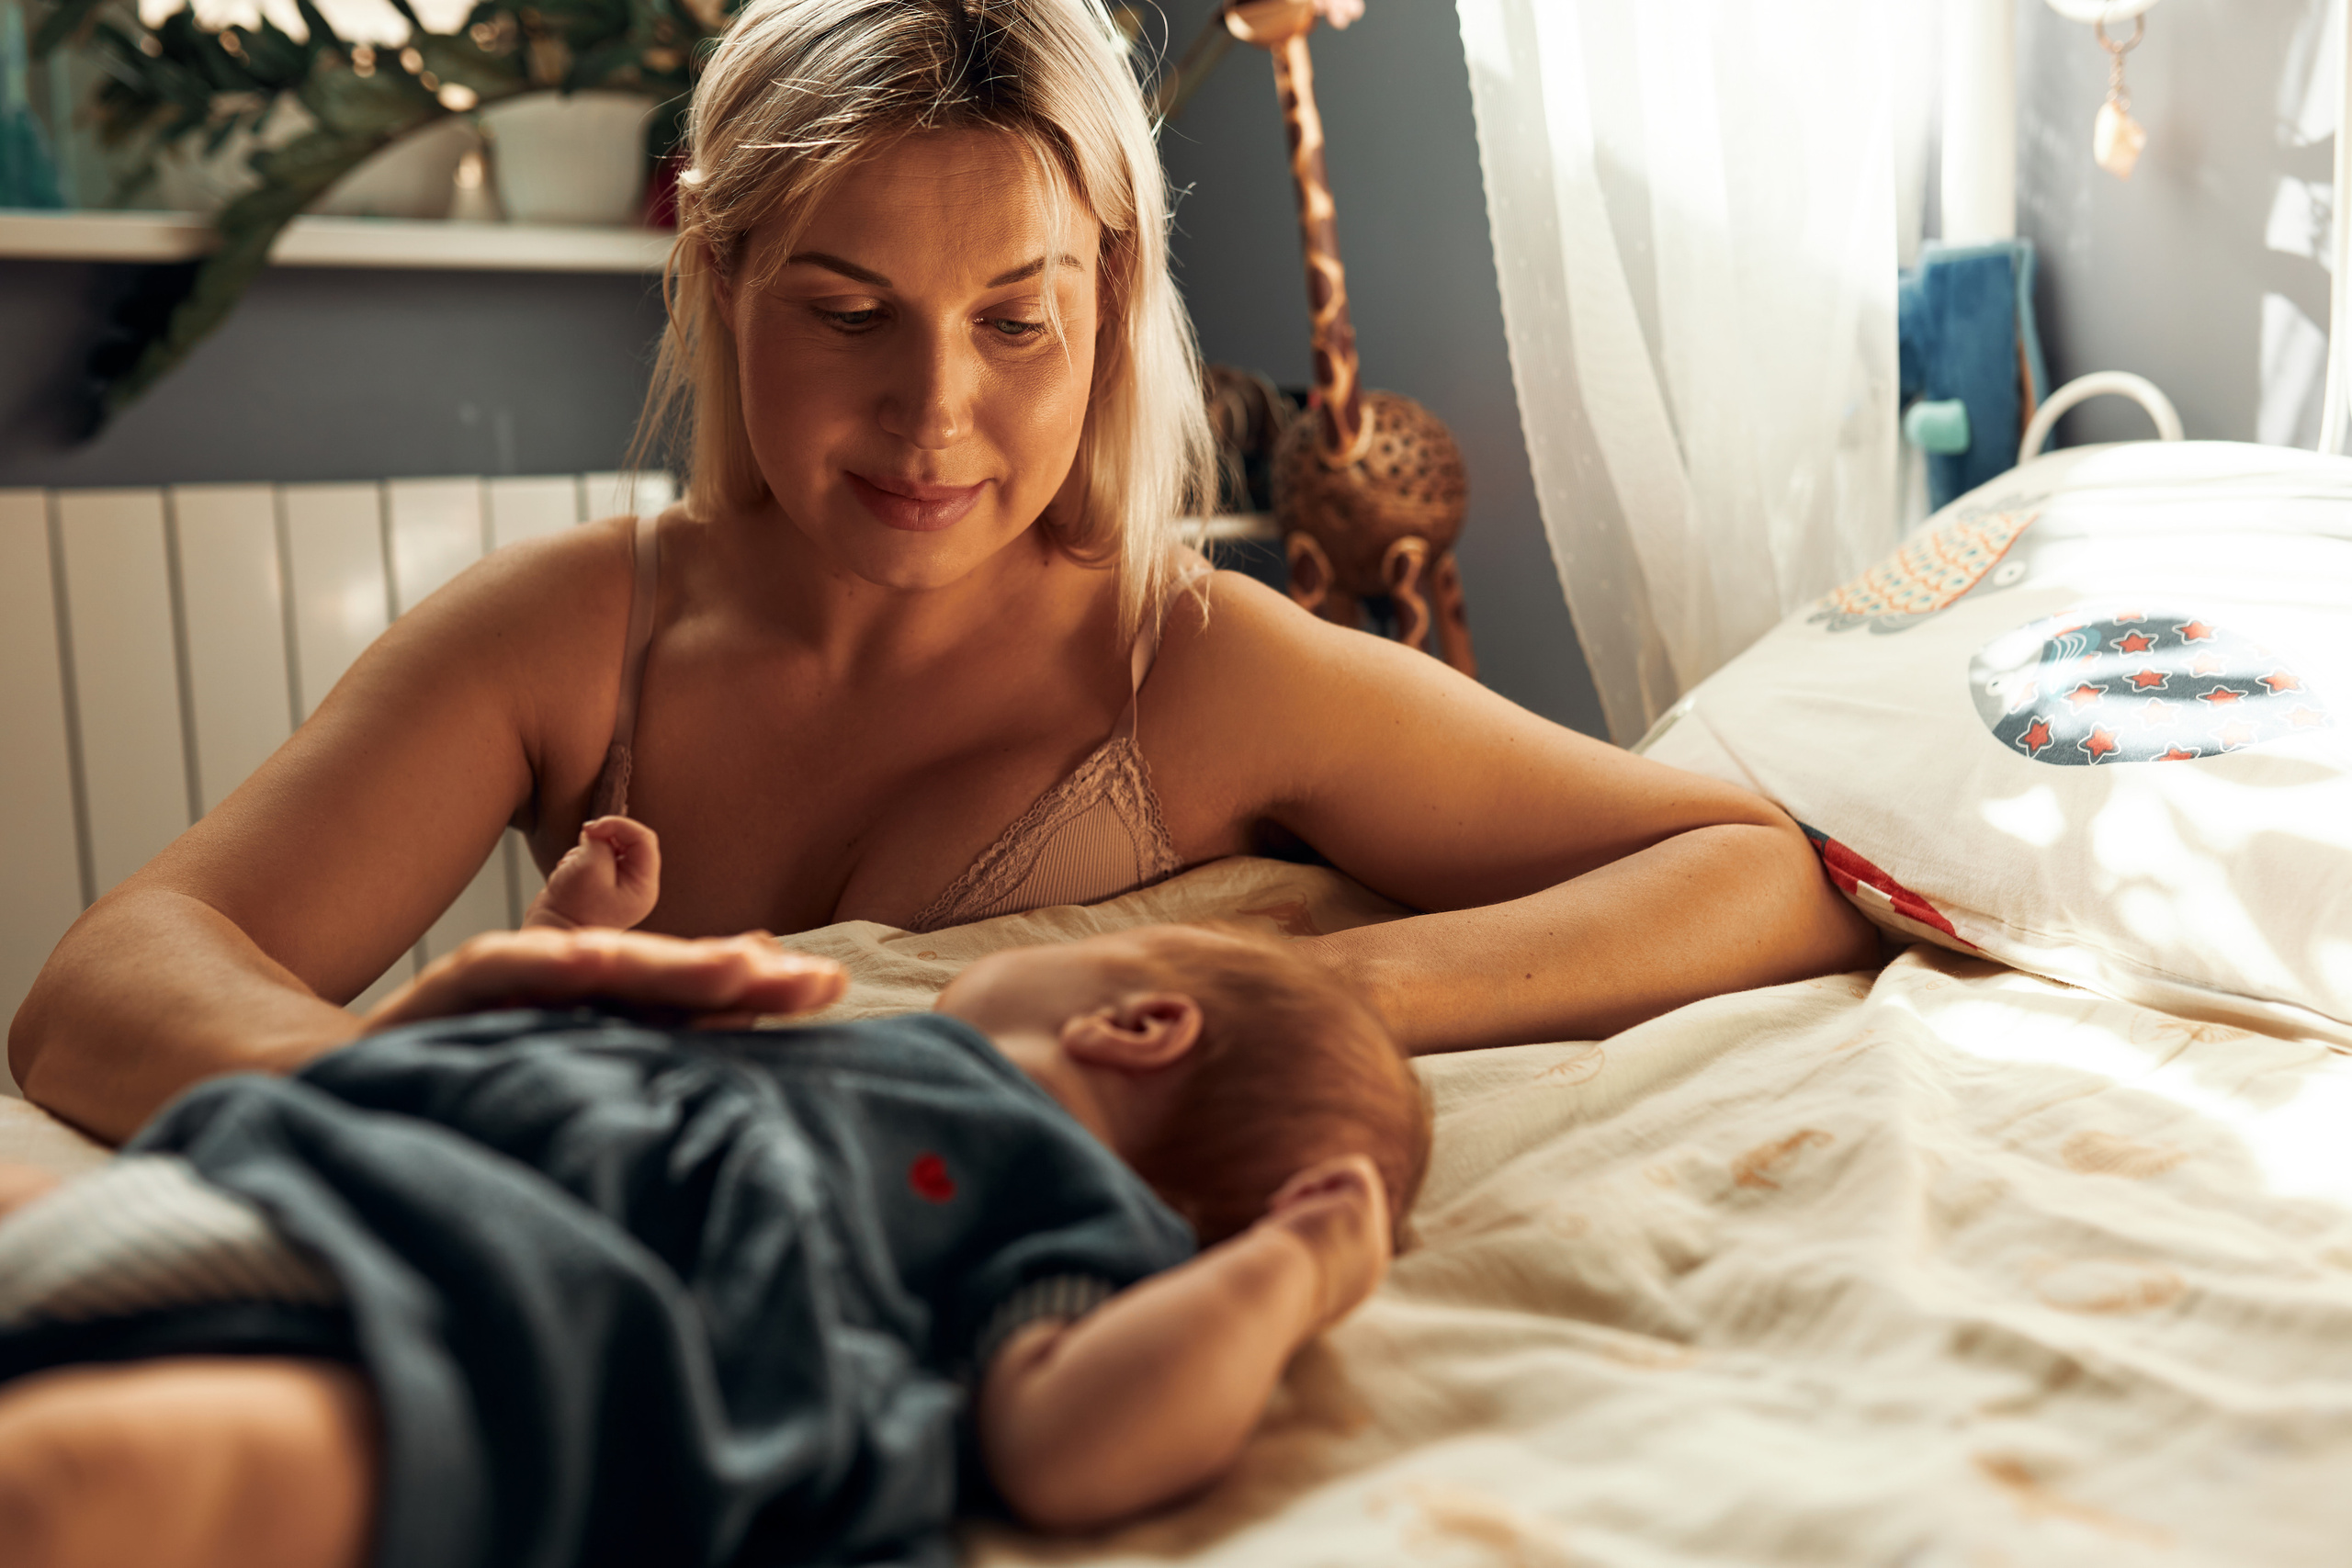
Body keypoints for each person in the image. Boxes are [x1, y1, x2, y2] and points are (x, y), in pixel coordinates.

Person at [6, 0, 1877, 1148]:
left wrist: (1299, 996)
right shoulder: (574, 637)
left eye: (1015, 322)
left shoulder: (1193, 663)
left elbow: (1755, 873)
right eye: (845, 313)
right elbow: (103, 985)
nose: (933, 414)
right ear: (724, 282)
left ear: (1110, 312)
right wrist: (394, 1086)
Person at [0, 924, 1429, 1568]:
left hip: (520, 1373)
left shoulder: (1070, 1211)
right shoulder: (855, 1068)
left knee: (70, 1490)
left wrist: (1287, 1273)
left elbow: (1068, 1447)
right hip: (342, 1197)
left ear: (1137, 1023)